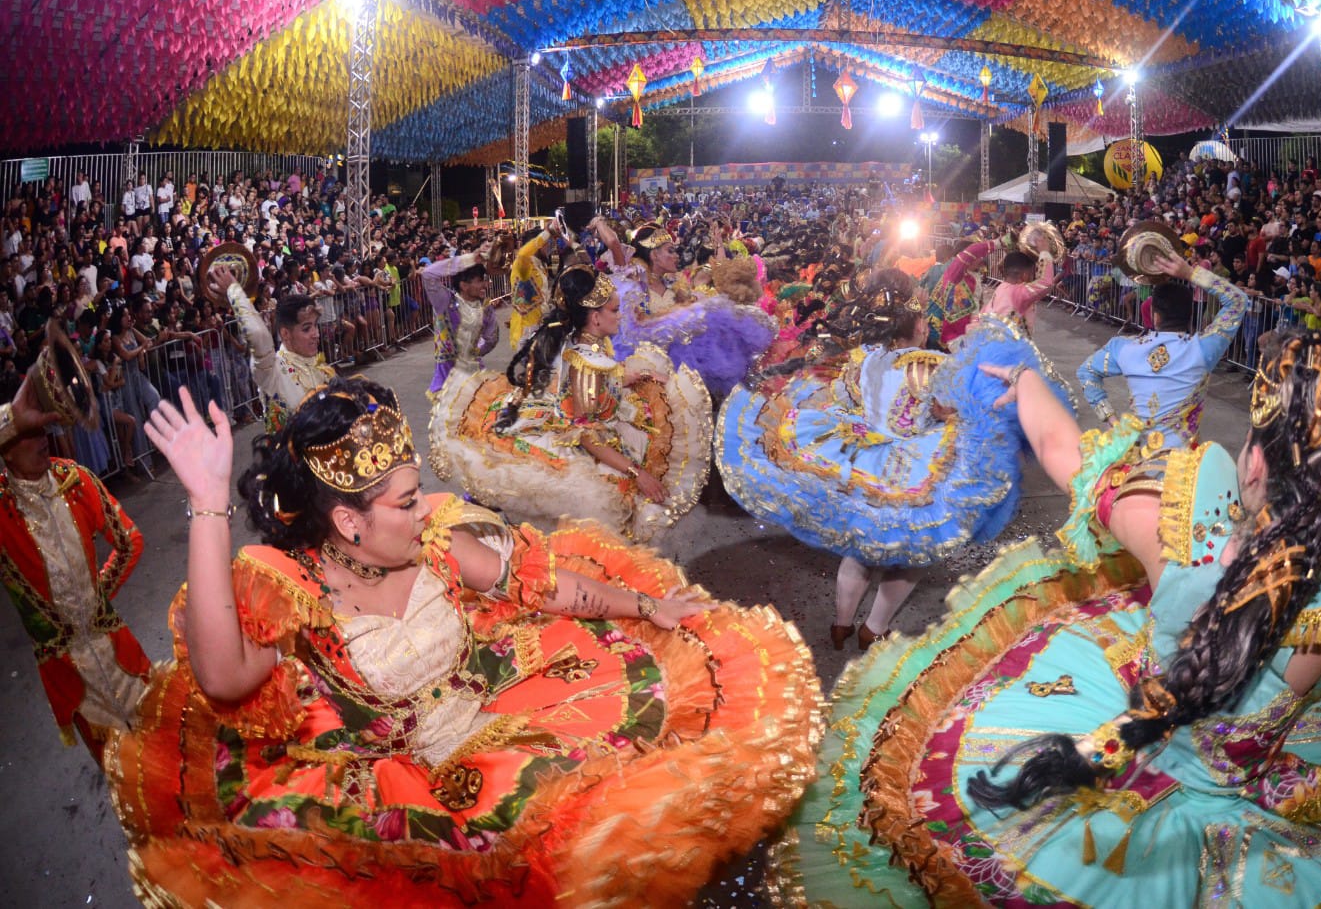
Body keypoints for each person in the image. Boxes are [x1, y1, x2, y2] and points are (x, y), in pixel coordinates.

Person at [771, 334, 1321, 907]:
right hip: (1235, 822)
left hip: (1126, 731)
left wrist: (1025, 384)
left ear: (1254, 461)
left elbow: (1063, 452)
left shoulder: (1173, 528)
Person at [114, 379, 821, 906]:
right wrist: (206, 504)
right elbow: (224, 679)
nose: (424, 508)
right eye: (404, 500)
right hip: (394, 794)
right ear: (349, 523)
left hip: (507, 723)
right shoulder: (297, 593)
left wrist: (644, 604)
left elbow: (547, 587)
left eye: (418, 491)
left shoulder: (436, 545)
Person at [718, 268, 1073, 648]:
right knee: (912, 555)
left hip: (860, 458)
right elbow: (948, 408)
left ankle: (841, 624)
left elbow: (852, 396)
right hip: (906, 466)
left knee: (860, 549)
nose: (928, 325)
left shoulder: (868, 357)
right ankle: (874, 627)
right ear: (916, 325)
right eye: (924, 320)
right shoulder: (926, 363)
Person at [429, 267, 712, 542]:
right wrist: (639, 473)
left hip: (582, 421)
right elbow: (587, 435)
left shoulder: (582, 345)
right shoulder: (586, 364)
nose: (620, 315)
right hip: (583, 443)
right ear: (595, 318)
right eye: (614, 310)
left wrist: (641, 375)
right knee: (608, 518)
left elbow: (601, 380)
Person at [0, 369, 149, 762]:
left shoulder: (75, 479)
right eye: (28, 432)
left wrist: (96, 597)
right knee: (118, 771)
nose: (42, 438)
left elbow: (130, 540)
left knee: (164, 750)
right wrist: (10, 419)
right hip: (70, 678)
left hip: (122, 656)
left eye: (42, 428)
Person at [1078, 253, 1248, 448]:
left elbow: (1086, 371)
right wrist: (1190, 273)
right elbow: (1238, 301)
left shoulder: (1124, 348)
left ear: (1155, 316)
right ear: (1189, 314)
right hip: (1186, 467)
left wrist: (1113, 422)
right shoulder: (1202, 350)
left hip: (1140, 461)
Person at [591, 217, 775, 397]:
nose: (677, 255)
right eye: (670, 251)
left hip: (681, 367)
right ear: (654, 255)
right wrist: (599, 221)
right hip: (648, 365)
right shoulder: (635, 282)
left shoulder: (676, 284)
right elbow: (614, 243)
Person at [212, 268, 334, 434]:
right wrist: (234, 291)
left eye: (315, 326)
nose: (316, 334)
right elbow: (258, 335)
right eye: (306, 329)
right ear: (285, 333)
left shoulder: (320, 366)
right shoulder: (272, 369)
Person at [422, 251, 499, 396]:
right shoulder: (445, 302)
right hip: (447, 379)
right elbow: (428, 274)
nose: (485, 285)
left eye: (484, 280)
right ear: (464, 285)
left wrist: (473, 353)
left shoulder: (486, 308)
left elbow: (492, 339)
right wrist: (467, 260)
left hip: (475, 375)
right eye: (479, 281)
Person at [507, 224, 556, 348]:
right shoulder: (523, 264)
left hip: (540, 326)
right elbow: (523, 254)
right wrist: (547, 232)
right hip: (527, 331)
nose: (550, 248)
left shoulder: (538, 265)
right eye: (546, 244)